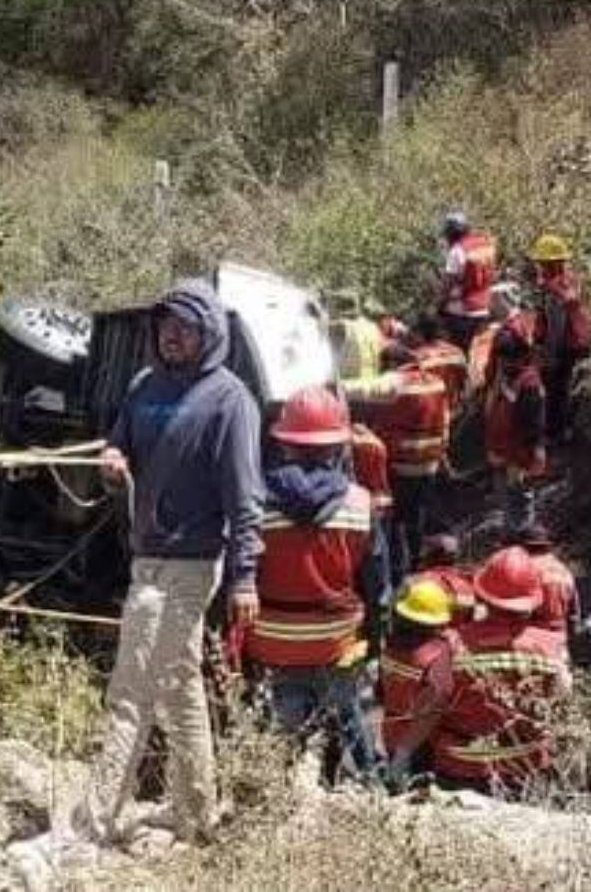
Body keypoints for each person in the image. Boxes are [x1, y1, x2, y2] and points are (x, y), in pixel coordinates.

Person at [81, 279, 265, 845]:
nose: (171, 335)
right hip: (146, 558)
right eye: (165, 325)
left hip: (191, 563)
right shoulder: (144, 385)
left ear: (209, 332)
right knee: (178, 683)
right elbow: (120, 444)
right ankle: (196, 812)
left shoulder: (230, 400)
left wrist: (245, 577)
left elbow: (245, 498)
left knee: (131, 687)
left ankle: (94, 819)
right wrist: (112, 460)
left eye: (184, 326)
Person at [245, 388, 389, 782]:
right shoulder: (361, 505)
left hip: (270, 641)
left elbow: (237, 578)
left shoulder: (253, 502)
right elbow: (378, 589)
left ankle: (270, 786)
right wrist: (374, 642)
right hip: (335, 642)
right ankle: (365, 784)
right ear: (337, 447)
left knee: (278, 727)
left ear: (284, 444)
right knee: (349, 714)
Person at [433, 547, 570, 792]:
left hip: (461, 768)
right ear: (532, 601)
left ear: (482, 597)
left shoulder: (452, 644)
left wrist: (403, 755)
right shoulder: (553, 646)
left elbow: (431, 706)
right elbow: (561, 706)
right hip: (525, 770)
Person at [348, 345, 451, 575]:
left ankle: (396, 571)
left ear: (391, 365)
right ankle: (414, 563)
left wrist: (328, 385)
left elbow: (362, 389)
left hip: (401, 465)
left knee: (394, 523)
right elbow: (445, 420)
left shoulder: (396, 382)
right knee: (416, 517)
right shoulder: (436, 381)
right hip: (428, 463)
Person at [379, 578, 460, 789]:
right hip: (420, 743)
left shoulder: (389, 648)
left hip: (391, 733)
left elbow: (380, 692)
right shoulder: (436, 656)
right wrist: (405, 752)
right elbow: (435, 705)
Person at [525, 235, 591, 443]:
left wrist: (550, 356)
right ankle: (563, 429)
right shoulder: (569, 280)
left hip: (562, 347)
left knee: (554, 390)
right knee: (563, 387)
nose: (539, 266)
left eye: (541, 263)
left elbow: (556, 326)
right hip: (575, 343)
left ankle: (554, 434)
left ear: (549, 263)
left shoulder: (554, 291)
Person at [484, 321, 547, 536]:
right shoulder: (504, 379)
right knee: (506, 501)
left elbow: (533, 426)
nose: (504, 363)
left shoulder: (529, 383)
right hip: (502, 454)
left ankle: (521, 545)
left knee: (519, 502)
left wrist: (521, 462)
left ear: (521, 356)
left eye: (508, 358)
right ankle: (511, 540)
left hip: (518, 458)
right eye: (502, 358)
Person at [436, 211, 497, 351]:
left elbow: (447, 285)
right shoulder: (485, 244)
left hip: (463, 312)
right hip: (485, 307)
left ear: (451, 233)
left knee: (460, 351)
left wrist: (439, 305)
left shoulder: (456, 251)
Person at [516, 522, 578, 644]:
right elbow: (573, 615)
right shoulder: (564, 571)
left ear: (523, 547)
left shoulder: (523, 570)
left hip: (529, 639)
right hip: (558, 639)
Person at [407, 316, 468, 411]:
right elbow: (465, 382)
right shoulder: (458, 352)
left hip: (430, 412)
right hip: (454, 409)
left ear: (420, 334)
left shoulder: (418, 356)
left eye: (414, 333)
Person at [414, 533, 477, 625]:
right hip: (459, 635)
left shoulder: (421, 582)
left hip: (430, 634)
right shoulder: (467, 583)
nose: (422, 556)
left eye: (425, 552)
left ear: (432, 556)